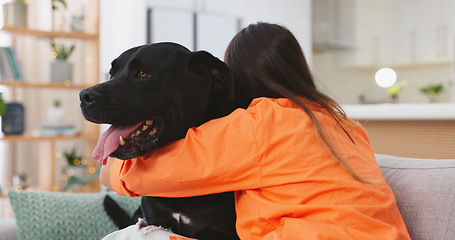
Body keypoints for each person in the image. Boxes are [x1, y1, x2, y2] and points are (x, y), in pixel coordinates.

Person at [101, 22, 410, 240]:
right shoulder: (346, 125)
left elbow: (145, 174)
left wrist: (110, 167)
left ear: (236, 79)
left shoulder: (261, 122)